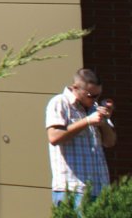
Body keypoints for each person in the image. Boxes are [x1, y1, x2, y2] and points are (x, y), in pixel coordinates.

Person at [46, 67, 116, 209]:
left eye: (98, 95)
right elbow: (54, 137)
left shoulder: (94, 108)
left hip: (99, 189)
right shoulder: (60, 102)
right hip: (72, 189)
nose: (95, 99)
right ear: (75, 88)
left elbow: (110, 142)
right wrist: (87, 121)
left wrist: (103, 123)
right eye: (91, 95)